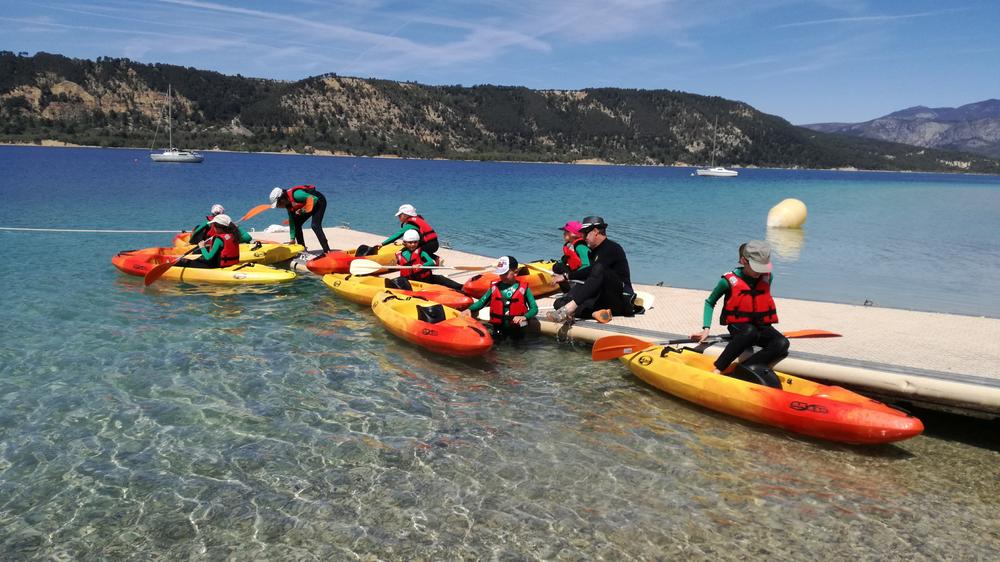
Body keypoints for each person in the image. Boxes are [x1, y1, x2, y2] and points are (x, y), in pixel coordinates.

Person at [691, 240, 788, 388]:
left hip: (760, 326)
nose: (760, 272)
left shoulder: (768, 277)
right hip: (739, 327)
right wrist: (706, 329)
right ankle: (718, 369)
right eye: (756, 268)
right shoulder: (727, 281)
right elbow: (709, 302)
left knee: (782, 343)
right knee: (750, 332)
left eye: (763, 267)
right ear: (744, 261)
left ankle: (747, 368)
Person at [547, 216, 635, 324]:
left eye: (585, 233)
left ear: (595, 231)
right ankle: (596, 313)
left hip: (620, 298)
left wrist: (567, 276)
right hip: (601, 298)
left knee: (598, 267)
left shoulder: (612, 248)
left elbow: (592, 270)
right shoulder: (593, 251)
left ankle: (570, 309)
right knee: (559, 303)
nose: (583, 237)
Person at [463, 256, 539, 341]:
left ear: (515, 272)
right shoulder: (495, 287)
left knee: (517, 350)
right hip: (498, 328)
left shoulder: (524, 289)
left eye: (505, 273)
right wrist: (469, 309)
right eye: (500, 273)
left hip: (517, 329)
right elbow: (481, 302)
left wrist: (524, 317)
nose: (502, 276)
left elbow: (534, 308)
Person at [269, 184, 332, 254]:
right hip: (308, 205)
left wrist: (303, 210)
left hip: (319, 201)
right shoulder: (288, 204)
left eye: (278, 204)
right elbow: (292, 221)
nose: (278, 207)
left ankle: (327, 251)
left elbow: (314, 199)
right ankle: (302, 249)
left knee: (315, 225)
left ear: (282, 199)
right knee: (297, 223)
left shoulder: (296, 195)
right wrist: (292, 238)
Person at [394, 229, 464, 291]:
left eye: (415, 242)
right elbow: (397, 264)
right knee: (396, 281)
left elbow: (431, 262)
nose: (413, 245)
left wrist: (421, 265)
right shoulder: (400, 254)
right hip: (408, 280)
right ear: (405, 243)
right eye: (410, 243)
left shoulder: (422, 252)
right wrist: (397, 265)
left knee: (439, 278)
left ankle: (461, 287)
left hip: (424, 280)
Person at [174, 214, 252, 269]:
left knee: (181, 262)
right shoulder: (234, 235)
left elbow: (208, 257)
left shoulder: (218, 239)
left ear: (218, 228)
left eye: (213, 225)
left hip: (215, 265)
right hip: (231, 263)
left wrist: (202, 247)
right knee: (200, 258)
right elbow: (248, 237)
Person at [375, 204, 440, 258]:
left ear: (405, 215)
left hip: (429, 245)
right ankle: (435, 258)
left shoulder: (411, 224)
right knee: (409, 250)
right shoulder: (417, 219)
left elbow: (397, 235)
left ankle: (435, 259)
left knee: (407, 254)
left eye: (400, 215)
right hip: (433, 243)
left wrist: (382, 244)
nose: (398, 217)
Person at [551, 220, 591, 292]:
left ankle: (573, 290)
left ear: (573, 234)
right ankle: (567, 291)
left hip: (584, 274)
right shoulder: (570, 246)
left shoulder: (580, 246)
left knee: (559, 267)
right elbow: (566, 259)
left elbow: (587, 265)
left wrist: (570, 275)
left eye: (566, 232)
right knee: (557, 267)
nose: (563, 234)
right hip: (575, 271)